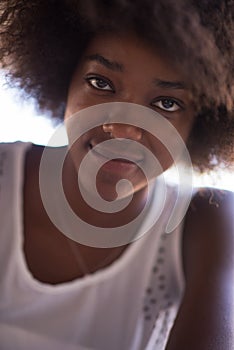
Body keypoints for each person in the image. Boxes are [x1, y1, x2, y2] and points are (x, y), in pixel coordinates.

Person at [0, 1, 233, 349]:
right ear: (64, 78)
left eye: (166, 104)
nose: (124, 130)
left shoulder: (205, 224)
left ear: (200, 122)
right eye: (101, 82)